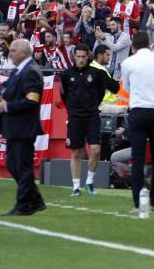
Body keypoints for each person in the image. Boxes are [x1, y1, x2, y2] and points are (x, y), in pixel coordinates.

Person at [120, 30, 154, 214]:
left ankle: (136, 202)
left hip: (139, 110)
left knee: (138, 157)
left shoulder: (128, 63)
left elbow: (127, 87)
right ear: (149, 44)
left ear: (133, 46)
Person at [59, 43, 119, 196]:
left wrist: (108, 82)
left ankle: (90, 182)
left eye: (83, 57)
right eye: (78, 57)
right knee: (76, 152)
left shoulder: (97, 73)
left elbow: (115, 88)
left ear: (88, 58)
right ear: (74, 57)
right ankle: (76, 187)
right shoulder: (67, 74)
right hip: (75, 117)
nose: (80, 60)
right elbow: (64, 95)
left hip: (92, 116)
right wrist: (72, 109)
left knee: (95, 150)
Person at [0, 39, 46, 215]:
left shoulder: (31, 71)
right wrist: (3, 92)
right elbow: (4, 87)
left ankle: (23, 205)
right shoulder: (20, 70)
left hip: (24, 126)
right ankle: (35, 200)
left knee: (22, 167)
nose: (10, 54)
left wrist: (8, 106)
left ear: (24, 53)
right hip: (14, 126)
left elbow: (31, 101)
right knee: (12, 164)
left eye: (13, 51)